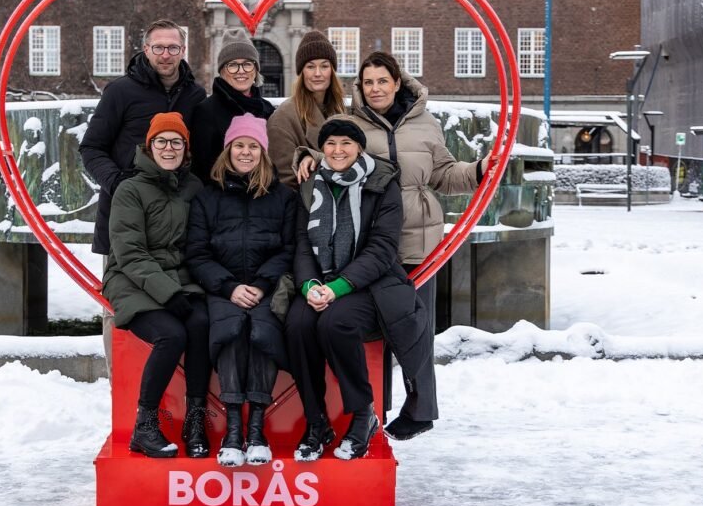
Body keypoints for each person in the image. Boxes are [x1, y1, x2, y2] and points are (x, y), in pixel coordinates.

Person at [347, 51, 490, 441]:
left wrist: (478, 171)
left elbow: (443, 174)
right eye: (368, 82)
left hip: (419, 238)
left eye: (382, 81)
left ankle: (421, 408)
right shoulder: (349, 122)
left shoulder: (425, 123)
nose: (375, 89)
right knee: (376, 331)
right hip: (373, 242)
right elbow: (333, 159)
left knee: (417, 328)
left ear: (397, 83)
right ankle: (377, 406)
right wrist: (306, 158)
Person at [285, 117, 429, 462]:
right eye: (331, 144)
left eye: (346, 144)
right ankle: (316, 421)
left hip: (369, 284)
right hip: (319, 281)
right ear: (322, 149)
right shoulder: (310, 184)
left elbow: (381, 248)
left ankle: (364, 414)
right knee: (297, 325)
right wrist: (309, 285)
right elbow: (302, 241)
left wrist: (337, 287)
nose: (338, 150)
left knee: (336, 324)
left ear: (359, 148)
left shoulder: (381, 184)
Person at [187, 113, 296, 467]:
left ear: (263, 152)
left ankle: (257, 430)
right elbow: (197, 253)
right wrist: (229, 286)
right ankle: (234, 428)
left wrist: (263, 284)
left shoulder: (282, 198)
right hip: (223, 287)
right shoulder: (207, 198)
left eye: (252, 146)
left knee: (262, 330)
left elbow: (289, 248)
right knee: (232, 329)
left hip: (266, 288)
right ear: (228, 151)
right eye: (239, 146)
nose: (245, 152)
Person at [102, 112, 211, 459]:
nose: (169, 148)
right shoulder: (130, 190)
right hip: (131, 280)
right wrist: (169, 293)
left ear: (185, 148)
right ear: (149, 147)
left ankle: (195, 419)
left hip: (180, 278)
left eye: (176, 142)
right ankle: (144, 424)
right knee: (171, 334)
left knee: (201, 326)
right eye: (161, 141)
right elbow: (129, 252)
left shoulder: (193, 187)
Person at [79, 19, 206, 256]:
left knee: (174, 289)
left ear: (183, 51)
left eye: (173, 48)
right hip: (126, 213)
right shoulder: (120, 91)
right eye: (158, 47)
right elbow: (91, 147)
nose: (165, 55)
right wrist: (117, 183)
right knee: (123, 287)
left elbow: (197, 151)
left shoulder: (195, 95)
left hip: (176, 217)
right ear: (146, 49)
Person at [190, 29, 275, 183]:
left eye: (247, 64)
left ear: (256, 70)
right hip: (222, 196)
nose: (241, 71)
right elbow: (201, 167)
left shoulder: (267, 109)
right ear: (222, 71)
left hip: (262, 193)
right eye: (233, 65)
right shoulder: (206, 111)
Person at [266, 30, 346, 188]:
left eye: (324, 66)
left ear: (332, 71)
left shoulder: (341, 111)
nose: (318, 73)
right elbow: (286, 181)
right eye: (310, 67)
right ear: (301, 72)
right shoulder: (284, 118)